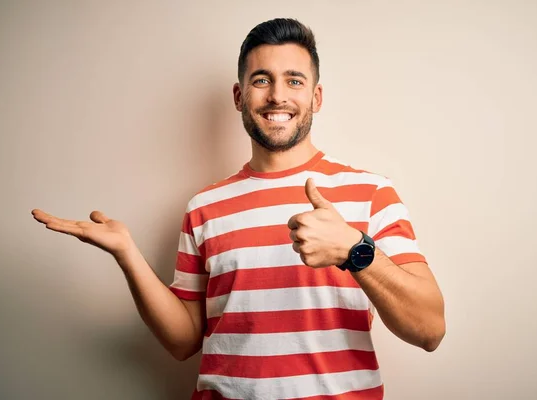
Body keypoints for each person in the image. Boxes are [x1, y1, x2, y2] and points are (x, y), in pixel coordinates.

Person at [32, 18, 445, 400]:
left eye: (294, 81)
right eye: (262, 80)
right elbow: (182, 342)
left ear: (316, 97)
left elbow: (429, 330)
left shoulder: (370, 192)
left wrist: (356, 250)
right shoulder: (204, 208)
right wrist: (127, 254)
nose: (278, 95)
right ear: (239, 95)